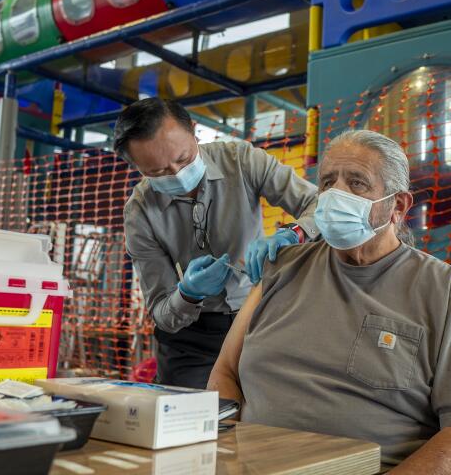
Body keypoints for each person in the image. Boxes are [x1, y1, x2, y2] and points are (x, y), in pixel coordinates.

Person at [208, 129, 451, 472]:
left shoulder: (442, 291)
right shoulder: (282, 268)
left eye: (356, 183)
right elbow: (225, 373)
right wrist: (225, 455)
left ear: (397, 206)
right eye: (327, 182)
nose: (336, 194)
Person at [117, 98, 318, 388]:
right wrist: (187, 294)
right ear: (136, 167)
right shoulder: (139, 213)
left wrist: (295, 233)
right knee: (187, 422)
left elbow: (318, 205)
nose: (176, 173)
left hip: (260, 320)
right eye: (157, 172)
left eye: (183, 159)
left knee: (270, 416)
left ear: (194, 131)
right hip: (191, 340)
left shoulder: (242, 160)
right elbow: (162, 313)